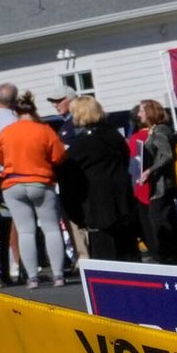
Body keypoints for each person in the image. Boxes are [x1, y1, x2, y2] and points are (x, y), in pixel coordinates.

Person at [0, 90, 71, 286]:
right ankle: (58, 275)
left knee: (25, 231)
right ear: (33, 110)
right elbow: (59, 157)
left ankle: (32, 278)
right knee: (51, 228)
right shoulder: (44, 130)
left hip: (13, 183)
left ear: (16, 113)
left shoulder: (6, 132)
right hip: (40, 181)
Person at [59, 96, 140, 261]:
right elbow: (125, 160)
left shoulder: (80, 144)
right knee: (128, 251)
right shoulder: (114, 136)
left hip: (96, 204)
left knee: (105, 256)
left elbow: (67, 176)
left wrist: (74, 212)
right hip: (122, 200)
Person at [129, 102, 177, 261]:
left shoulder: (160, 131)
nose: (139, 114)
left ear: (149, 112)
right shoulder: (156, 130)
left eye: (141, 111)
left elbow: (167, 155)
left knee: (159, 219)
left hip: (161, 184)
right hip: (160, 182)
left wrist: (150, 170)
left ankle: (168, 254)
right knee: (168, 218)